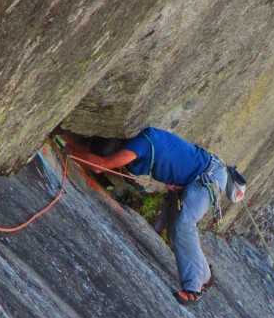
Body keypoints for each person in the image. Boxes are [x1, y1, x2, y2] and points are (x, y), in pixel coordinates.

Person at [60, 127, 227, 306]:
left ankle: (193, 289)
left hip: (208, 177)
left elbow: (101, 165)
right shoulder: (139, 141)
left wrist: (68, 150)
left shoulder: (138, 147)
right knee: (174, 233)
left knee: (184, 226)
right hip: (194, 177)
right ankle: (205, 277)